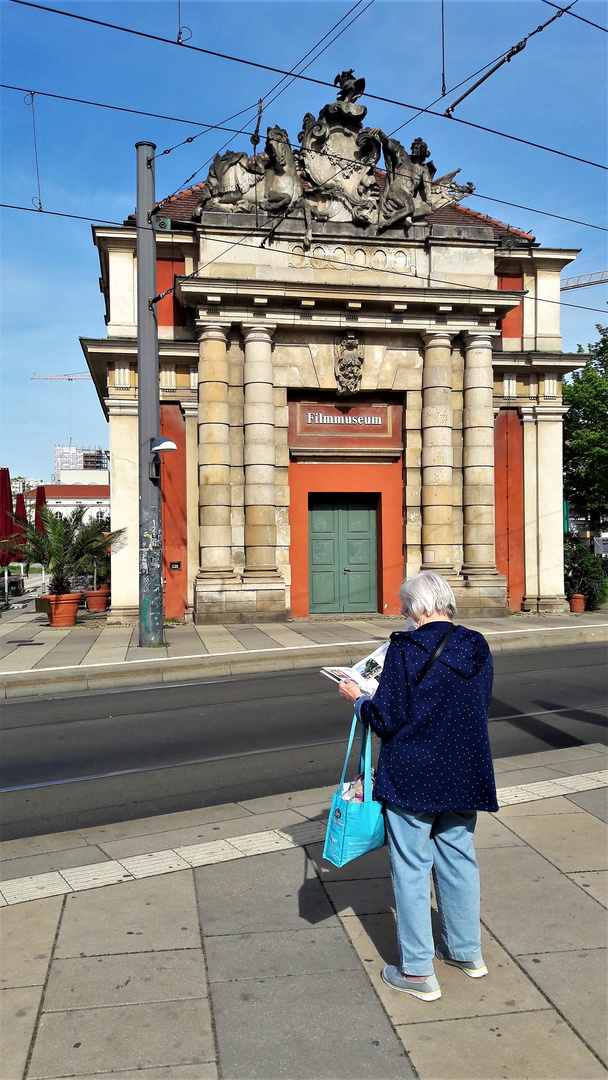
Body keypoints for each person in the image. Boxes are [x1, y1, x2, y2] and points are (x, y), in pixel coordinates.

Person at [338, 570, 498, 1002]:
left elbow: (385, 719)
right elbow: (478, 703)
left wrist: (358, 699)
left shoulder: (404, 650)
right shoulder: (476, 644)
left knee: (411, 869)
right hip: (465, 773)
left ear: (419, 609)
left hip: (413, 777)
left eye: (406, 608)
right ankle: (466, 952)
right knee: (459, 859)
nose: (404, 615)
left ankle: (417, 974)